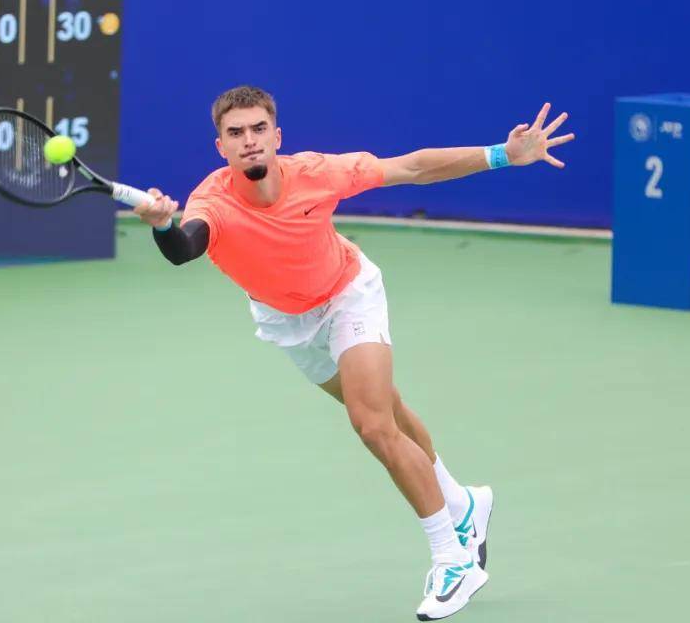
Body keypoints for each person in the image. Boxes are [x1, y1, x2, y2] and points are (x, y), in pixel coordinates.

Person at [132, 86, 574, 620]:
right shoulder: (212, 201)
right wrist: (163, 225)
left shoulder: (317, 173)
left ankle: (452, 558)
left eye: (258, 129)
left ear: (277, 136)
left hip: (347, 295)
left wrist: (503, 154)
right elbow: (185, 248)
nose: (249, 141)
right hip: (286, 322)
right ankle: (463, 503)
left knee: (372, 424)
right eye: (236, 133)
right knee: (389, 409)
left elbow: (412, 167)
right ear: (220, 146)